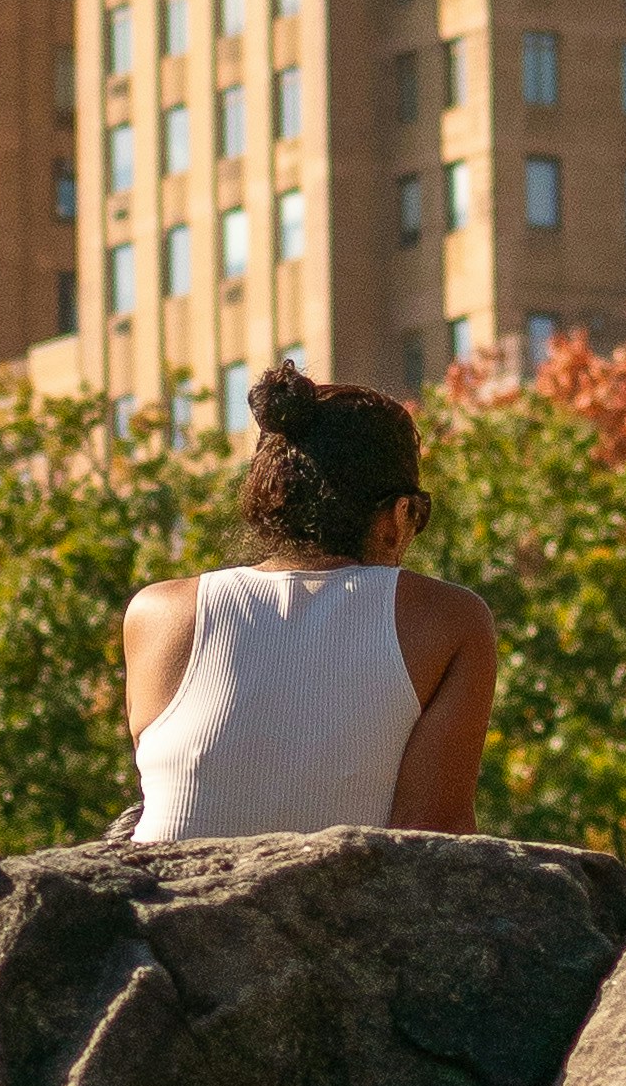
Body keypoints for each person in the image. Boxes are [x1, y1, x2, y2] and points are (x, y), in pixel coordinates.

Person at [121, 355, 499, 840]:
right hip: (334, 913)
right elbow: (433, 834)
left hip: (163, 908)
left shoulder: (157, 613)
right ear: (398, 515)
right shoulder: (450, 622)